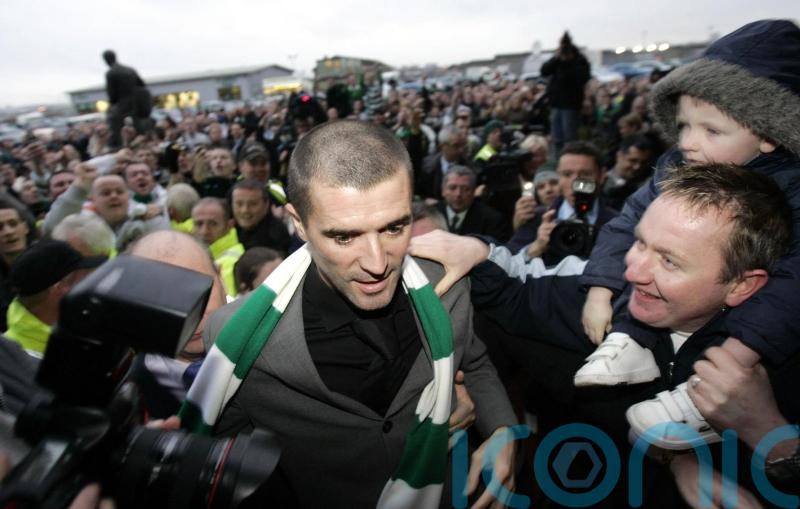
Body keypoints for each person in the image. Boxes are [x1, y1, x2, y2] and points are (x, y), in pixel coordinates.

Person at [410, 164, 798, 505]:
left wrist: (770, 434)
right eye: (639, 243)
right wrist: (475, 251)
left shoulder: (779, 357)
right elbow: (508, 293)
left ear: (741, 286)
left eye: (668, 261)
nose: (632, 272)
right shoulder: (596, 301)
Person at [181, 120, 517, 509]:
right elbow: (218, 461)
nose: (377, 263)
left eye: (394, 228)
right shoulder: (239, 337)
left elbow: (474, 360)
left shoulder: (446, 281)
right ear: (298, 223)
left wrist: (503, 430)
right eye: (344, 236)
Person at [576, 19, 800, 443]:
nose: (688, 143)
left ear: (770, 135)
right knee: (651, 257)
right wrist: (600, 290)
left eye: (711, 130)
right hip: (667, 323)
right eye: (684, 126)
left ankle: (711, 391)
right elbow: (627, 223)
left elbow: (791, 290)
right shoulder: (677, 165)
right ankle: (633, 341)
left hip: (744, 338)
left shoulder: (794, 189)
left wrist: (740, 354)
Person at [127, 230, 227, 419]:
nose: (190, 313)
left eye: (199, 290)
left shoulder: (273, 329)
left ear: (221, 277)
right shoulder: (134, 393)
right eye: (161, 299)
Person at [505, 141, 617, 263]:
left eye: (585, 174)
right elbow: (506, 264)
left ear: (601, 176)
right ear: (559, 176)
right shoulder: (537, 218)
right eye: (567, 174)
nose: (575, 183)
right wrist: (534, 248)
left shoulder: (618, 223)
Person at [4, 240, 104, 357]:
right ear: (59, 289)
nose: (92, 284)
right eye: (83, 277)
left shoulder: (84, 328)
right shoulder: (17, 363)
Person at [540, 31, 591, 156]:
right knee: (556, 138)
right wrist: (557, 59)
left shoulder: (579, 59)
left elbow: (583, 77)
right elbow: (544, 71)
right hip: (556, 103)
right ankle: (558, 161)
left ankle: (569, 158)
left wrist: (569, 62)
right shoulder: (557, 59)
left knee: (569, 138)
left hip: (571, 104)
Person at [438, 165, 510, 241]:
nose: (458, 194)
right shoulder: (430, 214)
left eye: (466, 189)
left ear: (473, 192)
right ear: (443, 190)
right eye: (453, 188)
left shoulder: (492, 220)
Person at [191, 197, 244, 298]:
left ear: (229, 225)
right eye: (199, 224)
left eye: (212, 224)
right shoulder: (202, 254)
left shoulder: (231, 262)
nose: (204, 231)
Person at [102, 50, 151, 149]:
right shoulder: (130, 69)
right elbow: (142, 84)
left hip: (123, 104)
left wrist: (112, 106)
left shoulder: (110, 73)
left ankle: (118, 144)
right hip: (136, 104)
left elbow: (112, 95)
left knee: (112, 119)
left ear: (106, 60)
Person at [230, 179, 291, 254]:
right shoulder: (226, 228)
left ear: (266, 204)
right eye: (239, 204)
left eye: (253, 204)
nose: (245, 210)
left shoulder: (275, 236)